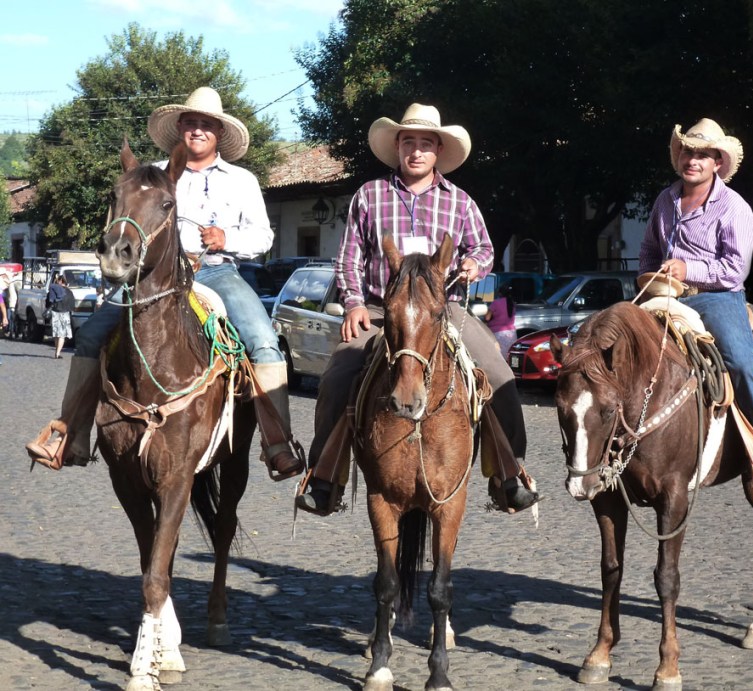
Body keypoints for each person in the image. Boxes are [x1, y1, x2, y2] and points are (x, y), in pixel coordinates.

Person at [26, 87, 305, 479]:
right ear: (179, 128)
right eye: (190, 122)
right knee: (90, 335)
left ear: (219, 133)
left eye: (206, 124)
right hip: (153, 277)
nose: (197, 130)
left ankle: (277, 442)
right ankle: (70, 434)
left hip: (218, 272)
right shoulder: (152, 175)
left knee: (263, 340)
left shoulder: (242, 180)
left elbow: (263, 237)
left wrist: (227, 238)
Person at [297, 103, 538, 515]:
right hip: (381, 309)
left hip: (444, 310)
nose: (417, 151)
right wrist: (353, 304)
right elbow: (349, 258)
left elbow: (484, 248)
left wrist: (474, 263)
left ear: (438, 150)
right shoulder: (369, 196)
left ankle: (509, 472)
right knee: (337, 376)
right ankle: (324, 476)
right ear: (398, 146)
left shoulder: (460, 202)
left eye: (426, 143)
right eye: (409, 142)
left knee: (498, 374)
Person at [638, 118, 753, 498]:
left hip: (717, 297)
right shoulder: (665, 201)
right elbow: (649, 248)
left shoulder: (734, 207)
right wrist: (649, 275)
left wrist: (687, 269)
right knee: (623, 344)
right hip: (665, 293)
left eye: (702, 155)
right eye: (687, 152)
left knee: (741, 364)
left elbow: (735, 269)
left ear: (717, 163)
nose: (692, 160)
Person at [484, 283, 517, 360]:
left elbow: (487, 318)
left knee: (499, 359)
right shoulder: (512, 303)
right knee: (510, 358)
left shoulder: (496, 303)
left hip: (498, 334)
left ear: (500, 293)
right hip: (512, 334)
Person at [46, 274, 75, 359]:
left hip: (55, 313)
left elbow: (48, 302)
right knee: (62, 335)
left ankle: (56, 351)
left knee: (56, 334)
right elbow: (72, 304)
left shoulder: (53, 290)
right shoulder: (69, 292)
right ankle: (58, 353)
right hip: (65, 313)